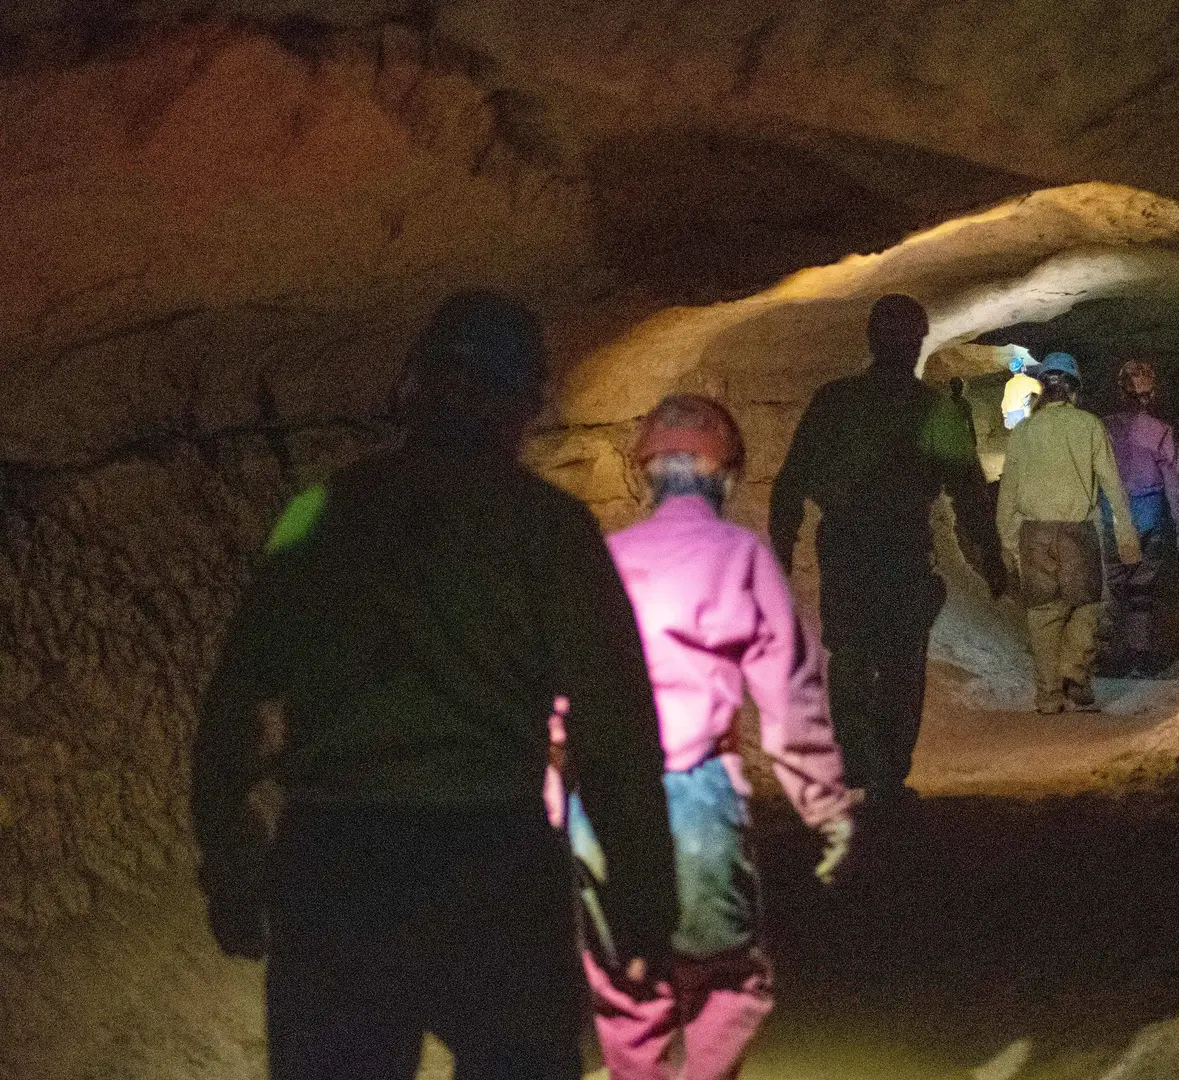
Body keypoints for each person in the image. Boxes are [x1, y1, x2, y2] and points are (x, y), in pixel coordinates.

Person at [192, 290, 677, 1080]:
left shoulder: (319, 512)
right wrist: (642, 906)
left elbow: (237, 699)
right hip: (488, 863)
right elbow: (615, 730)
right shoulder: (546, 528)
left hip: (337, 864)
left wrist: (233, 861)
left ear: (413, 388)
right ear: (523, 403)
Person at [586, 393, 857, 1080]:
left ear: (645, 472)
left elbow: (558, 694)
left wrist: (554, 805)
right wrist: (825, 809)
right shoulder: (739, 556)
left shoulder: (604, 558)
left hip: (601, 801)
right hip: (693, 797)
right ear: (728, 475)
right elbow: (789, 698)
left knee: (628, 990)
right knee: (726, 980)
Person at [770, 294, 1007, 810]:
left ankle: (861, 761)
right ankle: (889, 774)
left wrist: (782, 543)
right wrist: (990, 557)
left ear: (871, 340)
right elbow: (966, 491)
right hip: (901, 545)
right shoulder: (934, 407)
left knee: (851, 650)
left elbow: (792, 480)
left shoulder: (835, 400)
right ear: (919, 342)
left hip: (846, 545)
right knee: (902, 657)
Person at [997, 352, 1141, 713]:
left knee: (1042, 614)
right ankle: (1073, 668)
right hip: (1078, 534)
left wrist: (1007, 541)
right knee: (1088, 606)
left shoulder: (1023, 432)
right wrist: (1127, 537)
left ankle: (1048, 696)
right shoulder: (1090, 426)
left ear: (1041, 389)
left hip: (1034, 535)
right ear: (1075, 389)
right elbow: (1113, 485)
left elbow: (1008, 492)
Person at [1099, 359, 1179, 677]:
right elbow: (1174, 480)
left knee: (1112, 587)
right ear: (1152, 394)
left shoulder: (1104, 428)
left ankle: (1108, 656)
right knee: (1141, 588)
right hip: (1149, 513)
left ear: (1119, 392)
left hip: (1111, 514)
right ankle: (1138, 660)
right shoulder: (1160, 432)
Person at [1000, 345, 1042, 429]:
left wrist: (1005, 414)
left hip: (1010, 414)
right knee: (1026, 433)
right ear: (1022, 368)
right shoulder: (1028, 381)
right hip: (1022, 413)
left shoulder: (1009, 383)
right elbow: (1042, 391)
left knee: (1016, 435)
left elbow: (1005, 401)